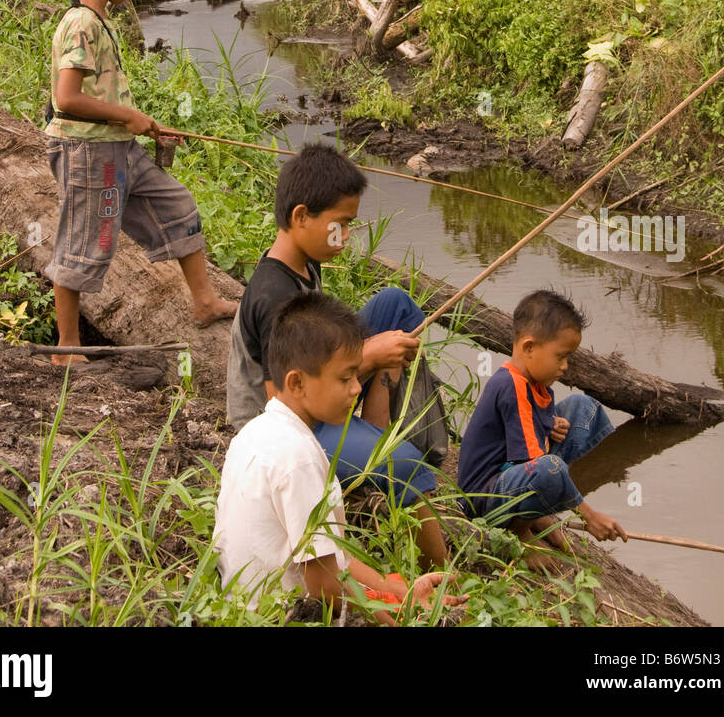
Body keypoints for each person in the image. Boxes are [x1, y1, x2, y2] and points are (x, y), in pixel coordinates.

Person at [226, 141, 447, 565]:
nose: (346, 237)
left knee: (397, 306)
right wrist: (368, 356)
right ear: (301, 216)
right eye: (340, 225)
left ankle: (397, 424)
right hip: (280, 417)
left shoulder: (305, 261)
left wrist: (376, 366)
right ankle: (443, 570)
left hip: (313, 381)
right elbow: (287, 400)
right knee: (409, 468)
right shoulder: (273, 296)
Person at [43, 0, 236, 368]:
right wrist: (128, 115)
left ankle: (205, 302)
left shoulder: (99, 19)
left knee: (177, 205)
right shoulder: (80, 24)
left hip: (117, 147)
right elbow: (66, 98)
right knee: (83, 242)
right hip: (88, 153)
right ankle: (66, 348)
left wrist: (145, 125)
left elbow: (99, 93)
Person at [215, 292, 465, 622]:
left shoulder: (254, 433)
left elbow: (329, 557)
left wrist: (397, 592)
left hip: (242, 606)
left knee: (392, 586)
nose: (356, 388)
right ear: (297, 382)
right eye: (345, 378)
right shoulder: (300, 457)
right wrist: (392, 608)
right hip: (280, 614)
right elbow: (323, 586)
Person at [457, 289, 627, 557]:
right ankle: (519, 530)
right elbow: (535, 465)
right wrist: (588, 515)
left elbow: (530, 428)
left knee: (584, 409)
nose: (565, 367)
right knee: (549, 468)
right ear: (529, 348)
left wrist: (549, 424)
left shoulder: (535, 382)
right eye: (560, 357)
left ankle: (537, 513)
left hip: (510, 475)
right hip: (484, 498)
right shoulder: (510, 386)